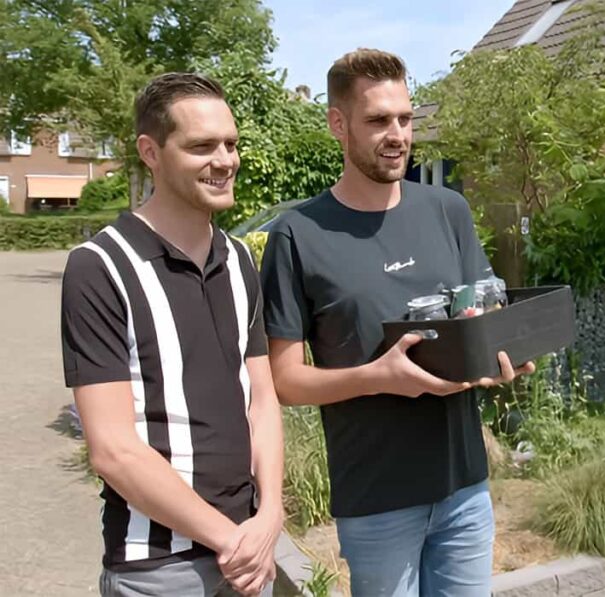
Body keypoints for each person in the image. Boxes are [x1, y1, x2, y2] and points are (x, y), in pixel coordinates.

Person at [260, 48, 533, 597]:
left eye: (405, 119)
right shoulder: (298, 235)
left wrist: (497, 353)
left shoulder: (446, 210)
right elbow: (285, 382)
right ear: (338, 124)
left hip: (464, 488)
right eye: (378, 120)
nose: (398, 134)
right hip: (376, 499)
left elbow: (481, 312)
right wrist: (378, 377)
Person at [60, 73, 284, 597]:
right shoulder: (99, 268)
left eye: (231, 144)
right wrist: (232, 540)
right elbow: (113, 449)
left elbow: (263, 398)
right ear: (151, 152)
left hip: (251, 549)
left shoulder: (239, 260)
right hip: (158, 570)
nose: (225, 160)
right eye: (202, 146)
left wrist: (269, 513)